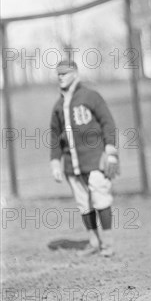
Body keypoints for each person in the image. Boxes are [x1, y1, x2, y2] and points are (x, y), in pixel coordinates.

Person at [49, 60, 120, 257]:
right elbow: (55, 137)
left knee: (100, 198)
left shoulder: (90, 96)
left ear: (76, 74)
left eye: (65, 73)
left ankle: (108, 242)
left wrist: (111, 152)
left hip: (95, 159)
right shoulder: (58, 105)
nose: (61, 77)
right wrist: (55, 162)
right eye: (59, 74)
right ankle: (93, 241)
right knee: (83, 204)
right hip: (72, 164)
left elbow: (108, 123)